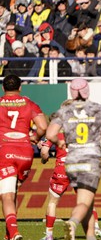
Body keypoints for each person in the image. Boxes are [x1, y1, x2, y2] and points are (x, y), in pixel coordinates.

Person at [45, 78, 101, 240]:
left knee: (59, 201)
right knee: (86, 202)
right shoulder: (97, 109)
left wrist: (60, 142)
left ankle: (55, 233)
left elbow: (49, 135)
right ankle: (75, 222)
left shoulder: (63, 113)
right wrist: (96, 134)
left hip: (70, 163)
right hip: (90, 162)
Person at [40, 107, 101, 240]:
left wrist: (44, 159)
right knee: (87, 202)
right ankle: (96, 229)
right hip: (79, 167)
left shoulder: (53, 134)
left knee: (53, 202)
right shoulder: (77, 130)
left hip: (62, 168)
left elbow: (44, 152)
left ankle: (49, 235)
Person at [0, 74, 47, 240]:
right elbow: (43, 126)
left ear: (3, 88)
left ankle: (14, 233)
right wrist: (35, 138)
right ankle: (8, 234)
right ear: (20, 88)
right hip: (25, 152)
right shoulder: (28, 103)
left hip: (4, 149)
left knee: (6, 195)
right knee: (13, 192)